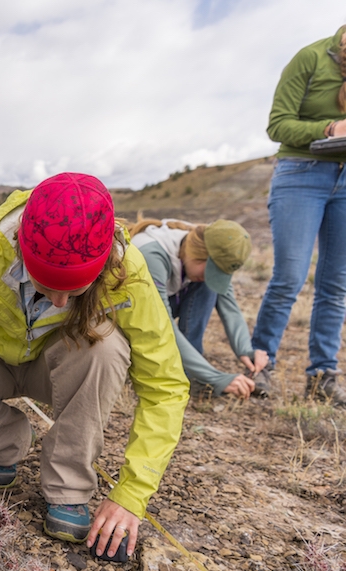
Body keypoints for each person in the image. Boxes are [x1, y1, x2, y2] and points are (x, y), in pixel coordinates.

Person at [0, 173, 188, 560]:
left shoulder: (128, 272)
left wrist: (131, 495)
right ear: (21, 246)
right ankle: (8, 442)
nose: (61, 303)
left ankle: (68, 488)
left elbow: (165, 387)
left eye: (75, 290)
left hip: (62, 365)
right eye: (47, 286)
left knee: (107, 347)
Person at [251, 25, 346, 404]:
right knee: (289, 277)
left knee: (336, 284)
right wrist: (329, 127)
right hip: (301, 174)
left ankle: (323, 375)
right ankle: (261, 366)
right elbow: (277, 124)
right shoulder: (311, 58)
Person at [130, 217, 267, 399]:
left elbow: (229, 307)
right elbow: (162, 325)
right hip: (128, 315)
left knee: (210, 286)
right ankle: (177, 371)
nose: (210, 277)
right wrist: (214, 377)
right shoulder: (152, 255)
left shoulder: (203, 245)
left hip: (160, 305)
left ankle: (189, 374)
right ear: (197, 254)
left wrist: (246, 350)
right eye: (210, 271)